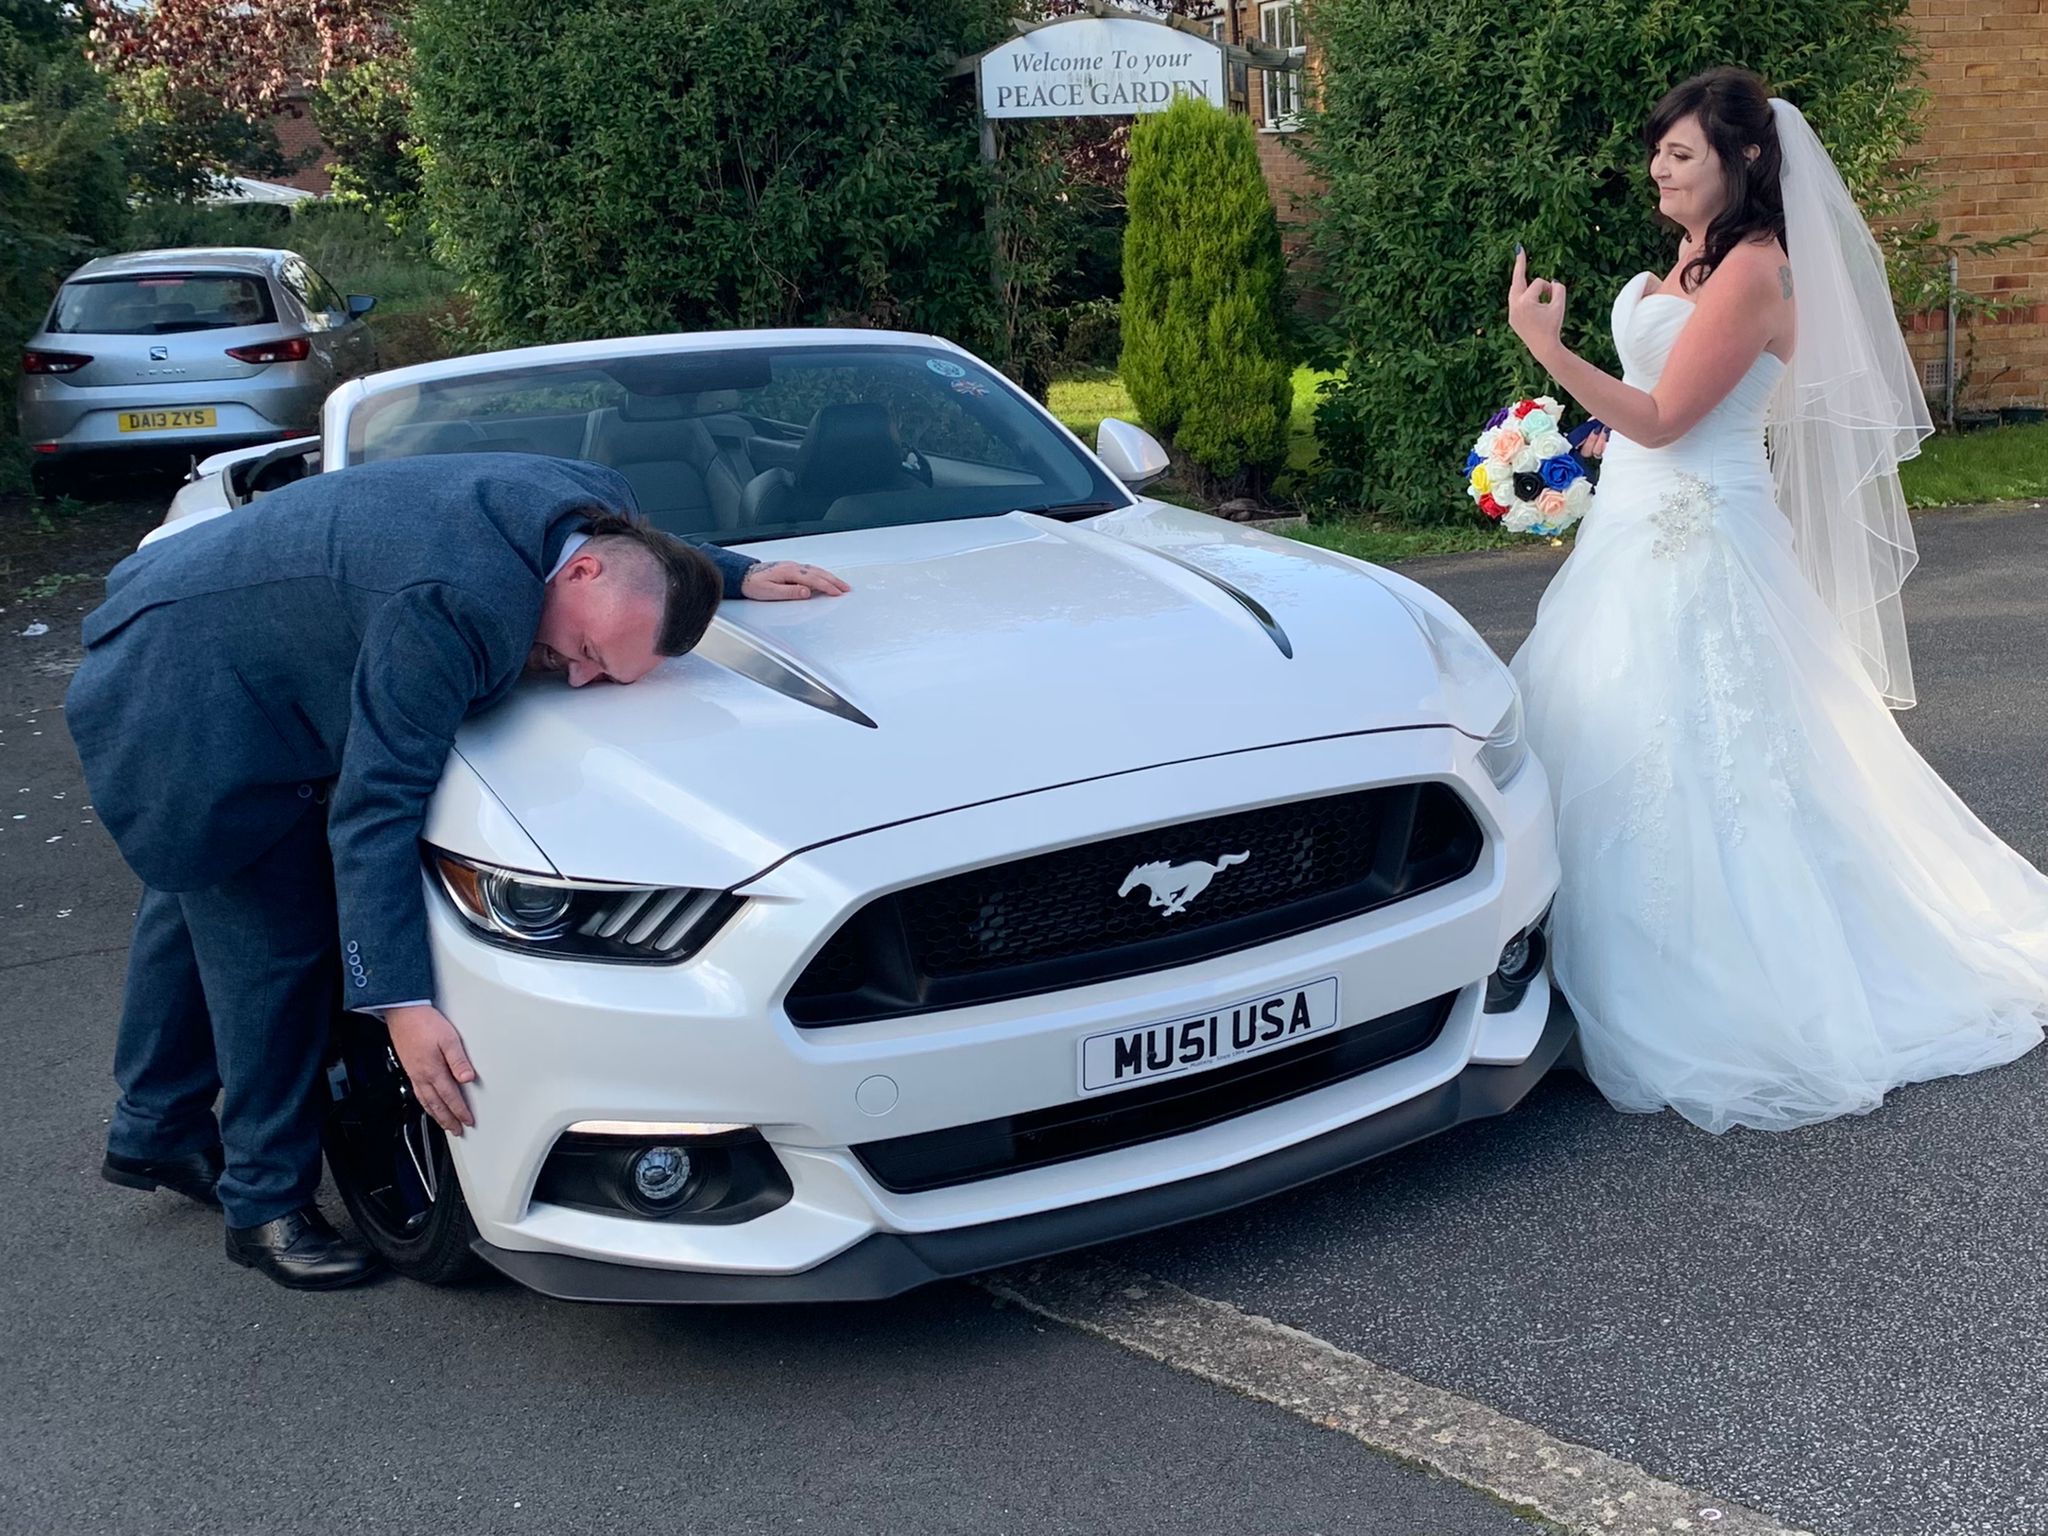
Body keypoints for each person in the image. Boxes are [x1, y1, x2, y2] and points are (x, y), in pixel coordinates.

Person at [67, 453, 848, 1288]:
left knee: (193, 887)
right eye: (584, 649)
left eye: (605, 669)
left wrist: (734, 573)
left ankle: (155, 1130)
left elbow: (647, 568)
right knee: (270, 941)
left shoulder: (597, 511)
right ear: (579, 570)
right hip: (184, 697)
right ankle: (264, 1207)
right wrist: (398, 1002)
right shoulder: (457, 609)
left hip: (200, 617)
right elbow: (377, 805)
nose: (579, 676)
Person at [1504, 67, 2048, 1133]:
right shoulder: (1690, 259)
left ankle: (1717, 980)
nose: (1658, 168)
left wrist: (1546, 348)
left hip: (1699, 536)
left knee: (1712, 753)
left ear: (1743, 160)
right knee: (1604, 729)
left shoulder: (1754, 269)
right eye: (1656, 150)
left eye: (1680, 153)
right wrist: (1571, 451)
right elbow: (1656, 423)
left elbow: (1665, 419)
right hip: (1638, 525)